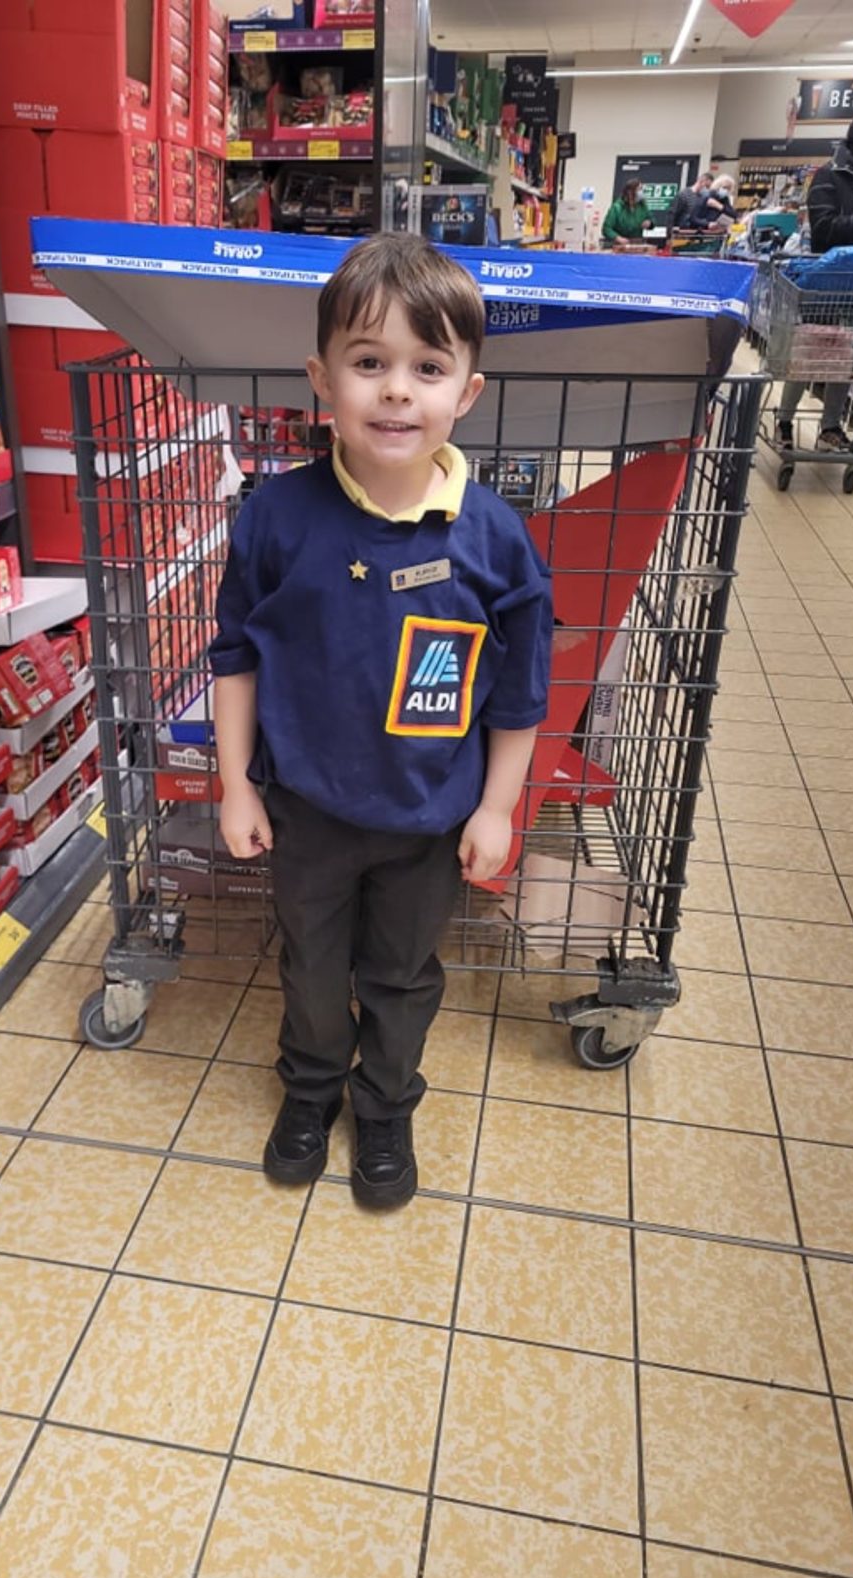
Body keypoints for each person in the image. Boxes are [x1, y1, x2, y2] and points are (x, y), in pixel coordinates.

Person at [210, 233, 552, 1210]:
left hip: (428, 820)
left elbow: (520, 695)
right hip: (307, 810)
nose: (398, 391)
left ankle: (387, 1103)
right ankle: (311, 1091)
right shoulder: (277, 518)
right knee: (312, 966)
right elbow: (236, 657)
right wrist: (235, 782)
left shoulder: (494, 540)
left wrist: (496, 808)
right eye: (370, 363)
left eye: (428, 367)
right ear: (323, 379)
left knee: (402, 976)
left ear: (468, 391)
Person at [776, 104, 853, 452]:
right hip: (829, 280)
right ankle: (784, 420)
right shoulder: (829, 176)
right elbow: (822, 229)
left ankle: (830, 427)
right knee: (813, 351)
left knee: (845, 359)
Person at [602, 180, 653, 245]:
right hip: (618, 246)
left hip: (636, 244)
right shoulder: (617, 207)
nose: (641, 192)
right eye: (639, 189)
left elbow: (651, 220)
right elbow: (606, 229)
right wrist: (618, 238)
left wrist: (649, 223)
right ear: (630, 192)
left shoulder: (643, 206)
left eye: (642, 189)